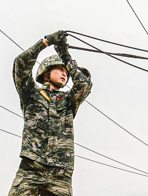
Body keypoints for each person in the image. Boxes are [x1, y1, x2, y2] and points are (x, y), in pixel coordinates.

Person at [8, 30, 92, 196]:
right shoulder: (31, 93)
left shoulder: (68, 100)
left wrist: (65, 56)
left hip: (60, 173)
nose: (64, 74)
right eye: (60, 69)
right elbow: (21, 64)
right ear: (46, 71)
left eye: (66, 72)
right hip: (31, 168)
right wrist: (45, 43)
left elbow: (84, 84)